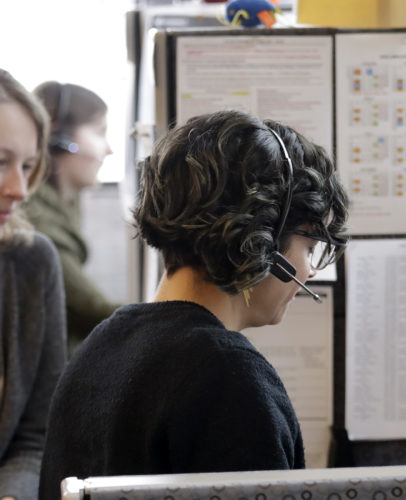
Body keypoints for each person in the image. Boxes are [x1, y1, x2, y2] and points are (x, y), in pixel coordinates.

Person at [38, 109, 349, 498]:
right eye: (309, 247)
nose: (310, 271)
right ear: (262, 241)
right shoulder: (229, 378)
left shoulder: (101, 345)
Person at [0, 69, 66, 500]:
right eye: (0, 162)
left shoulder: (31, 261)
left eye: (27, 166)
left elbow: (34, 436)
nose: (20, 189)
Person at [24, 81, 121, 355]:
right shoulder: (37, 222)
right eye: (100, 132)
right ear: (61, 140)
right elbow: (90, 311)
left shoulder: (64, 203)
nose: (109, 149)